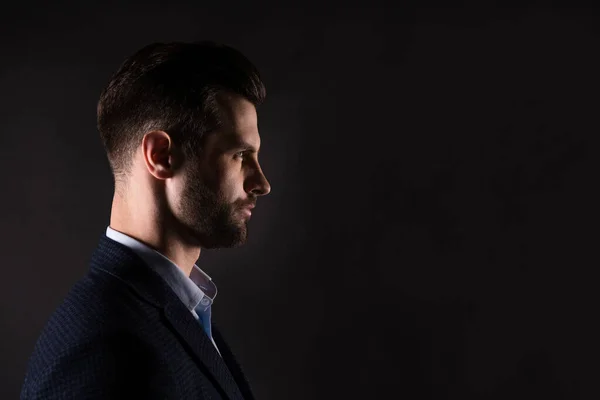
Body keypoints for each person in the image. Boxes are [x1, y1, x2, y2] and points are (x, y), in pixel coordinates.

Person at [20, 41, 271, 400]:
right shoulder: (105, 345)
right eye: (240, 155)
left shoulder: (176, 311)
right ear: (160, 155)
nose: (262, 183)